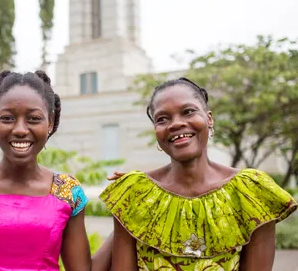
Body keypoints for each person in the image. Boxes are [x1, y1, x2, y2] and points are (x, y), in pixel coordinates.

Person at [100, 78, 298, 271]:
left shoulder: (252, 193)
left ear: (209, 119)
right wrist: (136, 194)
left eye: (188, 112)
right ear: (156, 131)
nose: (176, 124)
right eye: (162, 119)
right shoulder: (135, 194)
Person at [0, 70, 111, 271]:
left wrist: (126, 217)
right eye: (7, 118)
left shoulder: (67, 192)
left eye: (34, 119)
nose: (20, 129)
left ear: (50, 123)